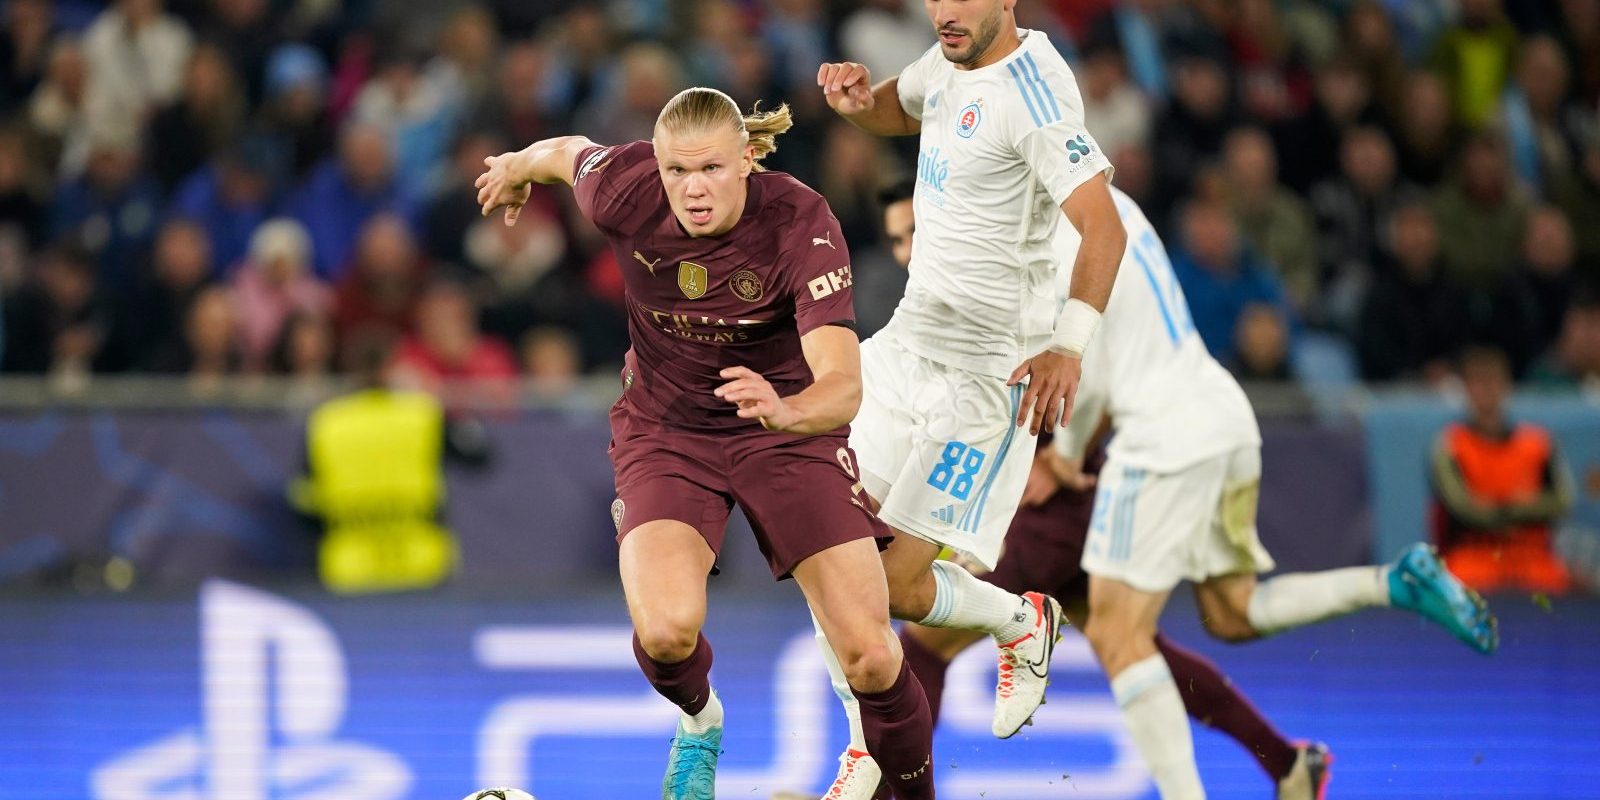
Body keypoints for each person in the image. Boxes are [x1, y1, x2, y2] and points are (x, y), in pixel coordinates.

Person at [473, 87, 938, 800]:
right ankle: (699, 722)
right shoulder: (623, 188)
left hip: (787, 430)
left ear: (748, 158)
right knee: (665, 632)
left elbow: (843, 386)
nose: (693, 190)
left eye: (712, 170)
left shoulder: (801, 223)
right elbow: (565, 154)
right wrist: (515, 166)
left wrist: (786, 410)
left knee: (872, 658)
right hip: (668, 431)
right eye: (677, 171)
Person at [799, 191, 1333, 800]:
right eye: (899, 238)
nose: (910, 247)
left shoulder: (1024, 261)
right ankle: (1287, 761)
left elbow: (1090, 365)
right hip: (1061, 492)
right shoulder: (945, 295)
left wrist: (1062, 457)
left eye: (919, 228)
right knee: (1128, 643)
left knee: (923, 644)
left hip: (1056, 499)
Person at [1039, 187, 1498, 799]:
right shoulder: (1112, 201)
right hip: (1221, 409)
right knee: (1234, 612)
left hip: (1159, 433)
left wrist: (1063, 456)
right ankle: (1392, 582)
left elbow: (1086, 369)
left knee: (1117, 632)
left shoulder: (1053, 233)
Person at [811, 0, 1128, 789]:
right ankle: (861, 747)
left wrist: (1067, 345)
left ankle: (1021, 619)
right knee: (818, 541)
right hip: (905, 347)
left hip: (984, 381)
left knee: (895, 586)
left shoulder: (1035, 92)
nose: (944, 12)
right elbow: (901, 106)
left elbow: (1105, 227)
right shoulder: (949, 56)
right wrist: (858, 104)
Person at [287, 334, 462, 594]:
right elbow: (478, 455)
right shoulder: (421, 414)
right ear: (394, 369)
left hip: (350, 565)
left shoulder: (328, 421)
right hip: (420, 562)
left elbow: (302, 499)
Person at [1430, 346, 1576, 595]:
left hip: (1532, 559)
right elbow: (1462, 507)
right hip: (1473, 557)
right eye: (1478, 382)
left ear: (1507, 386)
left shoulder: (1538, 443)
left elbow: (1562, 500)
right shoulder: (1450, 446)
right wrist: (1517, 505)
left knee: (1559, 583)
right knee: (1456, 581)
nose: (1486, 390)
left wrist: (1499, 507)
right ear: (1466, 389)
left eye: (1493, 381)